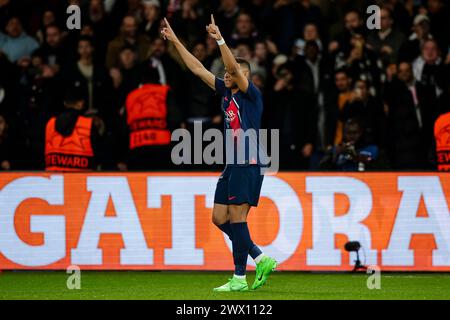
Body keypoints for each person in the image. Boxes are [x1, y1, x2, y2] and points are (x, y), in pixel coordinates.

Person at [161, 15, 277, 292]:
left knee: (238, 217)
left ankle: (239, 278)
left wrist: (220, 38)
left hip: (248, 159)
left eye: (236, 72)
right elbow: (198, 68)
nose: (229, 74)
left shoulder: (252, 95)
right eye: (229, 72)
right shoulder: (225, 90)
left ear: (246, 76)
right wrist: (176, 40)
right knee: (219, 218)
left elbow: (232, 67)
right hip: (232, 162)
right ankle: (260, 257)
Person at [45, 87, 103, 171]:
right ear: (81, 103)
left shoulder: (50, 124)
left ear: (65, 103)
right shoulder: (88, 124)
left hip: (54, 181)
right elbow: (100, 153)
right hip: (80, 181)